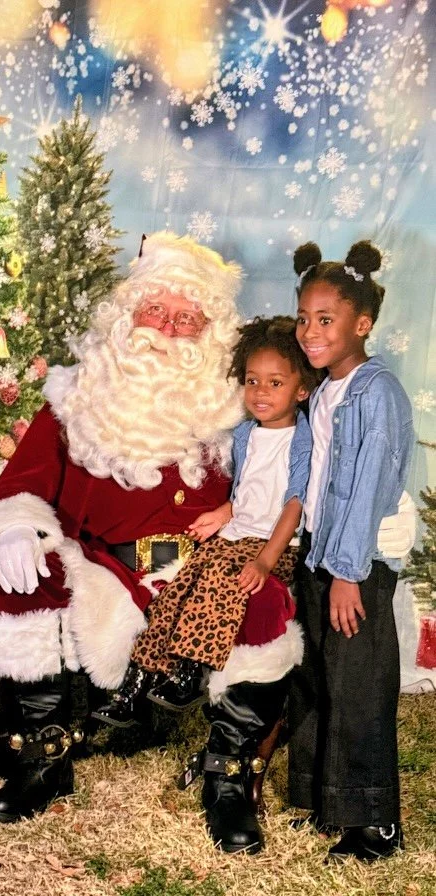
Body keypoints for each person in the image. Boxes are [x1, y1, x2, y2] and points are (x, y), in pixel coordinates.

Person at [0, 232, 306, 851]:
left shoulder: (240, 406)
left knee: (265, 604)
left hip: (200, 572)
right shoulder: (74, 398)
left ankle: (228, 777)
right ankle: (43, 758)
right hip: (104, 574)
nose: (167, 329)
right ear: (126, 316)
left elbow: (298, 472)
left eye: (187, 318)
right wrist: (14, 528)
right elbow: (24, 482)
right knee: (20, 577)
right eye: (155, 311)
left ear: (209, 334)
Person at [92, 316, 318, 732]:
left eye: (275, 383)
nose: (260, 393)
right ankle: (136, 684)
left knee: (217, 581)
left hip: (274, 546)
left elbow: (293, 505)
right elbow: (247, 491)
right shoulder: (248, 434)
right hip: (234, 537)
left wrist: (266, 561)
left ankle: (190, 672)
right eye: (252, 381)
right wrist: (222, 514)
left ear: (301, 390)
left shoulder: (302, 439)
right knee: (177, 588)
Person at [288, 240, 414, 863]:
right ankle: (322, 795)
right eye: (304, 318)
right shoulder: (322, 393)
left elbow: (368, 489)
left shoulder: (376, 393)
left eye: (326, 320)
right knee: (316, 678)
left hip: (354, 565)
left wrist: (347, 574)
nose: (310, 331)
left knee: (360, 685)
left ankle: (374, 818)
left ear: (362, 324)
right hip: (318, 554)